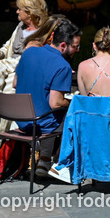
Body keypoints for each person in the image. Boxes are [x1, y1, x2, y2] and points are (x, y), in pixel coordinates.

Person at [0, 0, 50, 153]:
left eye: (19, 9)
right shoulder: (20, 27)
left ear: (29, 12)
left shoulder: (45, 30)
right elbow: (6, 48)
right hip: (9, 66)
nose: (16, 11)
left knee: (8, 92)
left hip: (25, 71)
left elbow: (44, 57)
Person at [15, 17, 79, 176]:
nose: (78, 50)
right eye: (75, 47)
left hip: (20, 118)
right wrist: (73, 101)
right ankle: (61, 163)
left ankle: (44, 160)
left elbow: (15, 83)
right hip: (40, 123)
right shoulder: (63, 66)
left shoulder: (29, 52)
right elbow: (55, 103)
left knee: (46, 106)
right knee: (75, 111)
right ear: (63, 45)